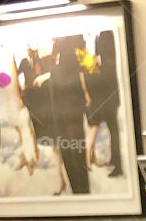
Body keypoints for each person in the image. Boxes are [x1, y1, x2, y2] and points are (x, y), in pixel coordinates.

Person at [49, 35, 89, 194]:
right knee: (75, 155)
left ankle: (79, 191)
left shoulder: (56, 71)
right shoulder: (75, 70)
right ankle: (82, 191)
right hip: (70, 116)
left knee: (71, 155)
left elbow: (53, 102)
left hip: (65, 117)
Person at [84, 31, 123, 177]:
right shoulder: (99, 35)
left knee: (113, 129)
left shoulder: (107, 34)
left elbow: (113, 60)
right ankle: (115, 159)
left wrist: (100, 61)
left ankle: (118, 166)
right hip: (103, 92)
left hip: (110, 92)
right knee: (111, 128)